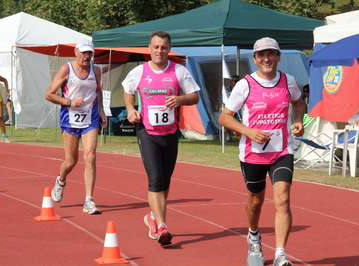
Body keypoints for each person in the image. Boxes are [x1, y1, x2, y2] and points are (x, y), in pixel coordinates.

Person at [218, 37, 306, 266]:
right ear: (255, 59)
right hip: (253, 153)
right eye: (261, 55)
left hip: (282, 151)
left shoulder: (288, 81)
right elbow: (224, 117)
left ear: (278, 57)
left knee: (283, 199)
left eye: (271, 54)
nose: (266, 59)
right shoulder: (245, 84)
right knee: (256, 201)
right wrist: (248, 131)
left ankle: (280, 254)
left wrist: (298, 120)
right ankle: (254, 237)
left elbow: (298, 101)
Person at [122, 30, 200, 246]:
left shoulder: (179, 71)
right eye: (156, 47)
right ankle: (162, 225)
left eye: (163, 47)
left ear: (168, 49)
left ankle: (152, 216)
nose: (159, 51)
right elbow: (127, 91)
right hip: (147, 133)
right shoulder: (139, 72)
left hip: (170, 133)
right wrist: (130, 109)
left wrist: (180, 99)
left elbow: (195, 96)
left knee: (165, 181)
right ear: (149, 48)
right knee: (155, 179)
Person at [45, 39, 107, 215]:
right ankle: (61, 180)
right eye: (84, 53)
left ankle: (89, 200)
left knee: (90, 156)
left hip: (90, 118)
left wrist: (102, 110)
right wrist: (69, 102)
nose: (87, 57)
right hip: (70, 119)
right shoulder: (66, 69)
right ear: (76, 52)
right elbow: (48, 94)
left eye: (90, 53)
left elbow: (98, 90)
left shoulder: (96, 70)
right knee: (71, 160)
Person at [222, 74, 241, 141]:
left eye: (238, 81)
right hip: (229, 108)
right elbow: (222, 101)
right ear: (231, 82)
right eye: (235, 81)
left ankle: (238, 135)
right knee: (225, 118)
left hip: (239, 108)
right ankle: (228, 135)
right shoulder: (226, 91)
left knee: (240, 120)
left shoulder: (241, 90)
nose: (237, 83)